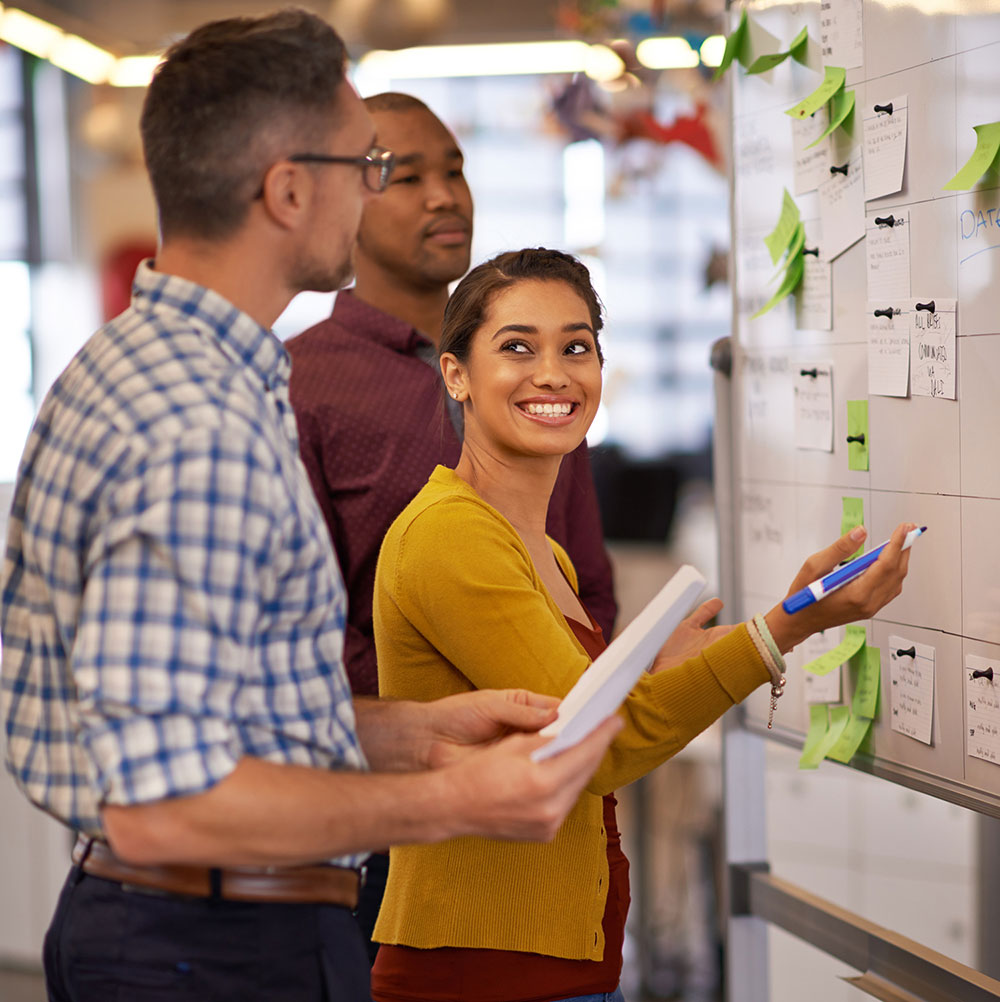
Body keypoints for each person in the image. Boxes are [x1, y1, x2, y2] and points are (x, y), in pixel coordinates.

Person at [0, 18, 623, 1002]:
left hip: (202, 928)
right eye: (368, 162)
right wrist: (454, 796)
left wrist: (408, 734)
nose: (378, 187)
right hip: (210, 947)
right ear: (290, 189)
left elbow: (222, 716)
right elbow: (167, 801)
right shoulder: (194, 422)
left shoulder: (157, 369)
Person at [369, 248, 914, 1002]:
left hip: (558, 963)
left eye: (577, 346)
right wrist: (782, 633)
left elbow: (578, 707)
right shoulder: (451, 534)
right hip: (483, 972)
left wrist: (677, 663)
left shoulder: (540, 546)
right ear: (456, 373)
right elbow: (594, 749)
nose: (554, 373)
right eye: (517, 347)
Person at [287, 92, 618, 959]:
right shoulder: (303, 383)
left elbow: (586, 582)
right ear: (342, 204)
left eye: (455, 170)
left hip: (553, 785)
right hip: (389, 814)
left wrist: (577, 704)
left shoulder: (532, 377)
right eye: (404, 175)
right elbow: (302, 628)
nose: (445, 196)